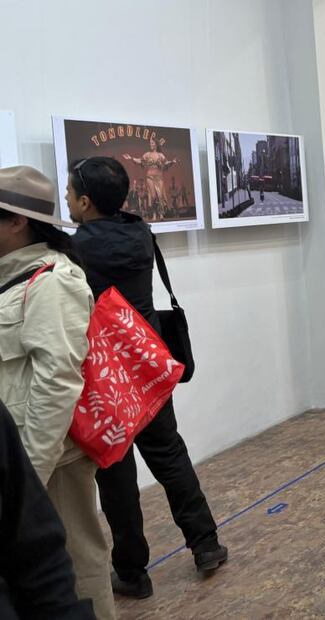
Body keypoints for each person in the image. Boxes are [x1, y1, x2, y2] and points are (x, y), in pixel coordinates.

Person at [67, 157, 227, 600]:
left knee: (115, 471)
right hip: (146, 362)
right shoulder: (140, 233)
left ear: (85, 201)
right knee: (169, 454)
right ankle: (206, 544)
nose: (66, 200)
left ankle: (133, 572)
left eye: (70, 193)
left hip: (104, 374)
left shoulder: (76, 250)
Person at [0, 165, 115, 618]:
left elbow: (58, 382)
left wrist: (28, 475)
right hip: (22, 457)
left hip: (51, 460)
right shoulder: (13, 276)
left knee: (77, 569)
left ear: (17, 222)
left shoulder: (53, 281)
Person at [0, 402, 96, 619]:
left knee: (83, 561)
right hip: (37, 451)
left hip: (50, 453)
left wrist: (33, 465)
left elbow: (43, 565)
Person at [121, 138, 177, 217]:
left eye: (152, 143)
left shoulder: (160, 155)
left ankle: (161, 214)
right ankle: (154, 213)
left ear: (156, 144)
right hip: (150, 177)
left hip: (159, 178)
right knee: (153, 196)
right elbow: (140, 160)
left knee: (160, 196)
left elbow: (166, 163)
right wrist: (131, 158)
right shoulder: (147, 154)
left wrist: (172, 162)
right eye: (150, 143)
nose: (151, 144)